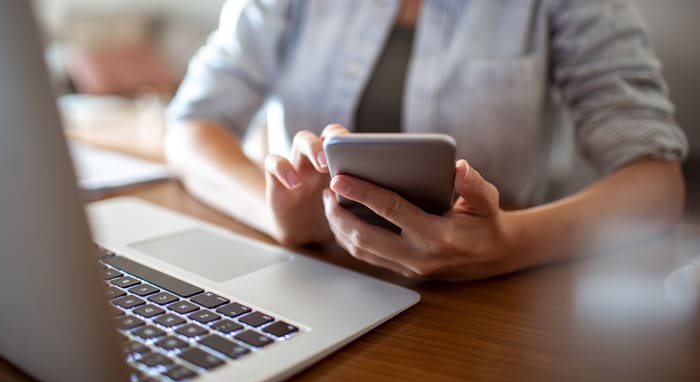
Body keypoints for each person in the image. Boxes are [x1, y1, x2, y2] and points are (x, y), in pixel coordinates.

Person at [165, 0, 688, 280]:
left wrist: (505, 244)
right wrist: (279, 215)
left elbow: (657, 184)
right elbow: (190, 126)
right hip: (317, 276)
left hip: (487, 307)